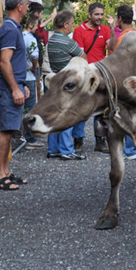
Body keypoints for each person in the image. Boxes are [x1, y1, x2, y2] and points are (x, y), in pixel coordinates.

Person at [0, 0, 31, 190]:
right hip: (7, 88)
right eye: (27, 4)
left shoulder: (12, 28)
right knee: (6, 132)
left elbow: (12, 62)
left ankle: (6, 172)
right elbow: (4, 62)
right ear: (19, 6)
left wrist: (22, 85)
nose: (28, 8)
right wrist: (15, 88)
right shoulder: (10, 29)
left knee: (9, 129)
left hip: (12, 86)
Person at [46, 10, 87, 160]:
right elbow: (83, 58)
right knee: (67, 116)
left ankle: (53, 148)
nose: (72, 26)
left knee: (54, 116)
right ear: (65, 24)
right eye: (72, 23)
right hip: (68, 83)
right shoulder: (68, 42)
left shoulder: (51, 39)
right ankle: (66, 150)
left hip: (55, 79)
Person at [72, 2, 112, 153]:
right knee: (81, 108)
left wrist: (113, 28)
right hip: (85, 73)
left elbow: (112, 48)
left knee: (102, 109)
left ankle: (100, 140)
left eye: (101, 14)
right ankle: (78, 139)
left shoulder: (106, 29)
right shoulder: (79, 30)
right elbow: (81, 54)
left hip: (101, 74)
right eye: (96, 14)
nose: (100, 17)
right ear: (89, 15)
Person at [108, 5, 136, 160]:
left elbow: (113, 53)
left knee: (127, 116)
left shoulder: (124, 38)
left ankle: (131, 150)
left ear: (120, 18)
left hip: (127, 81)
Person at [22, 12, 44, 149]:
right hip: (29, 75)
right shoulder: (30, 38)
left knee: (22, 108)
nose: (37, 28)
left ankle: (23, 135)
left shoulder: (19, 35)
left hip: (19, 75)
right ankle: (30, 138)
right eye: (36, 25)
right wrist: (35, 67)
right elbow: (34, 55)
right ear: (30, 25)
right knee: (30, 108)